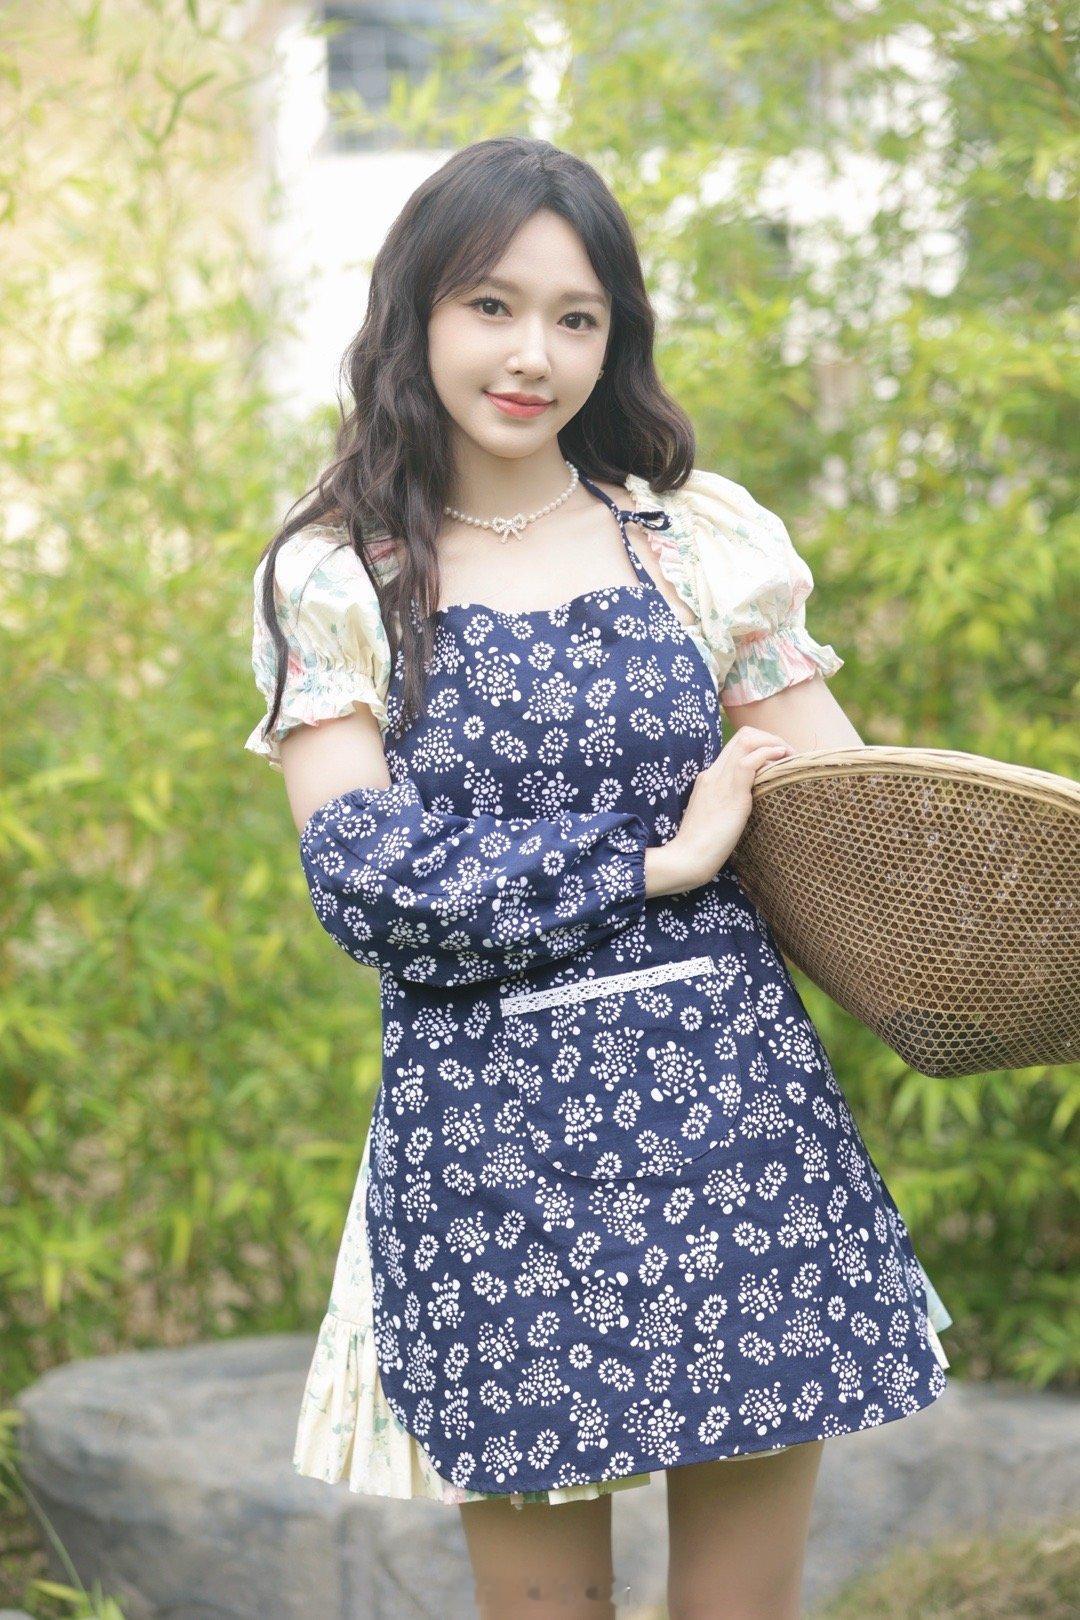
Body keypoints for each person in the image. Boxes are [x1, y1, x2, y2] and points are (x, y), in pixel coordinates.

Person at [246, 135, 953, 1620]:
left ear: (614, 336)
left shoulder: (697, 541)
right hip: (492, 1147)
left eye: (577, 317)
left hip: (733, 1122)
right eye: (492, 306)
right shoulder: (343, 574)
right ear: (414, 313)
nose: (535, 355)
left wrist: (988, 930)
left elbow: (859, 823)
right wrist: (657, 861)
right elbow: (368, 879)